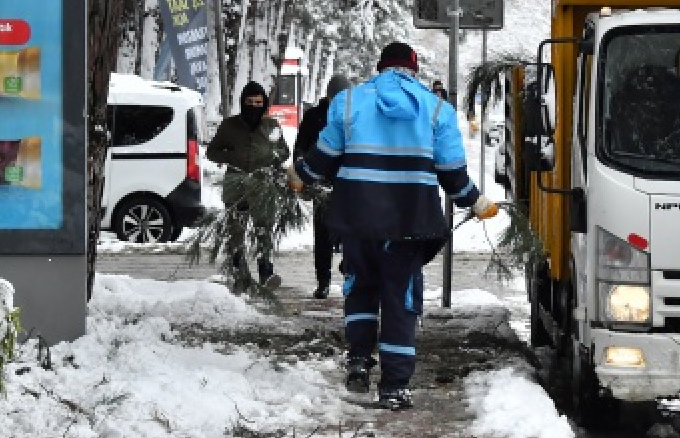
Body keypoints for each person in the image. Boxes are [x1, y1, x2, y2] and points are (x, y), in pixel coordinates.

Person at [292, 42, 499, 410]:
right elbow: (452, 175)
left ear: (381, 66)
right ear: (413, 70)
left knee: (359, 289)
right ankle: (394, 387)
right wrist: (477, 202)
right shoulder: (437, 110)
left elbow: (322, 159)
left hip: (357, 219)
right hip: (409, 223)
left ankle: (358, 361)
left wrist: (300, 176)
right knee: (401, 300)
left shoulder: (350, 102)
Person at [206, 81, 291, 292]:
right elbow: (212, 152)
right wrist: (231, 156)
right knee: (237, 232)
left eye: (259, 102)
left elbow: (284, 152)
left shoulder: (271, 126)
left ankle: (266, 272)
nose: (254, 106)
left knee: (264, 231)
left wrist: (273, 157)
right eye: (250, 102)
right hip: (236, 186)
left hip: (262, 186)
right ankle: (239, 272)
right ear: (243, 102)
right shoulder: (229, 126)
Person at [293, 74, 354, 299]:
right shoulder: (313, 117)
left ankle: (349, 271)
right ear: (328, 96)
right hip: (321, 183)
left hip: (348, 184)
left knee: (350, 233)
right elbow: (300, 146)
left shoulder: (354, 116)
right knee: (322, 236)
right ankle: (323, 280)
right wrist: (302, 167)